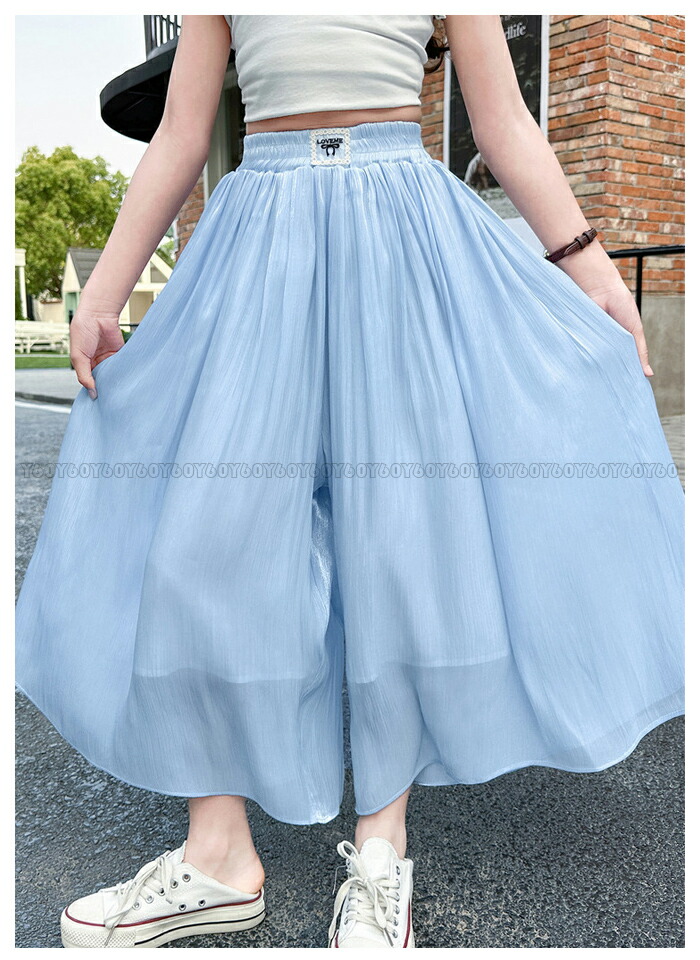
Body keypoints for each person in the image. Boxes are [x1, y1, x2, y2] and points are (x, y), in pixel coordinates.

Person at [15, 14, 684, 950]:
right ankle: (218, 855)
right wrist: (101, 291)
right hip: (257, 248)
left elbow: (503, 120)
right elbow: (180, 130)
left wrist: (588, 265)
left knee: (400, 547)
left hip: (402, 244)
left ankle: (381, 849)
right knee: (205, 545)